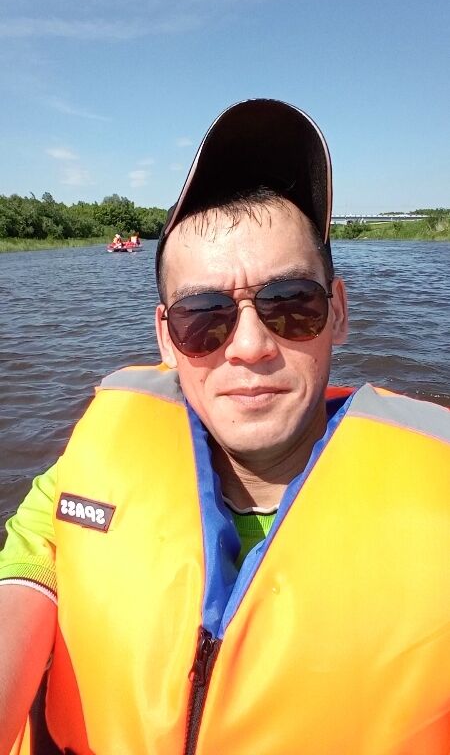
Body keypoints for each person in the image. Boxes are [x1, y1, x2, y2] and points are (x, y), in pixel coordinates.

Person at [0, 99, 449, 755]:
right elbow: (24, 581)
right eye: (204, 315)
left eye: (290, 303)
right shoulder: (82, 477)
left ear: (338, 312)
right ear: (166, 338)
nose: (250, 347)